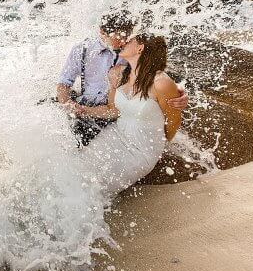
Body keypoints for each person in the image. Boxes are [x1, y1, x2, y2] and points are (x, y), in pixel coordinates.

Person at [76, 33, 184, 198]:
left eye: (130, 40)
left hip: (142, 151)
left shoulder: (161, 83)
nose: (125, 41)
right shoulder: (116, 73)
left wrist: (161, 146)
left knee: (93, 188)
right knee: (77, 169)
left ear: (140, 48)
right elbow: (113, 109)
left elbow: (174, 120)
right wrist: (82, 109)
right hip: (115, 136)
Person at [57, 13, 188, 147]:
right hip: (88, 107)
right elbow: (63, 83)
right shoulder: (81, 49)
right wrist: (67, 104)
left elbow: (154, 73)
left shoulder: (130, 51)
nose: (124, 40)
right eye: (120, 36)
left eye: (127, 35)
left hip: (117, 113)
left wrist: (176, 91)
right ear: (102, 33)